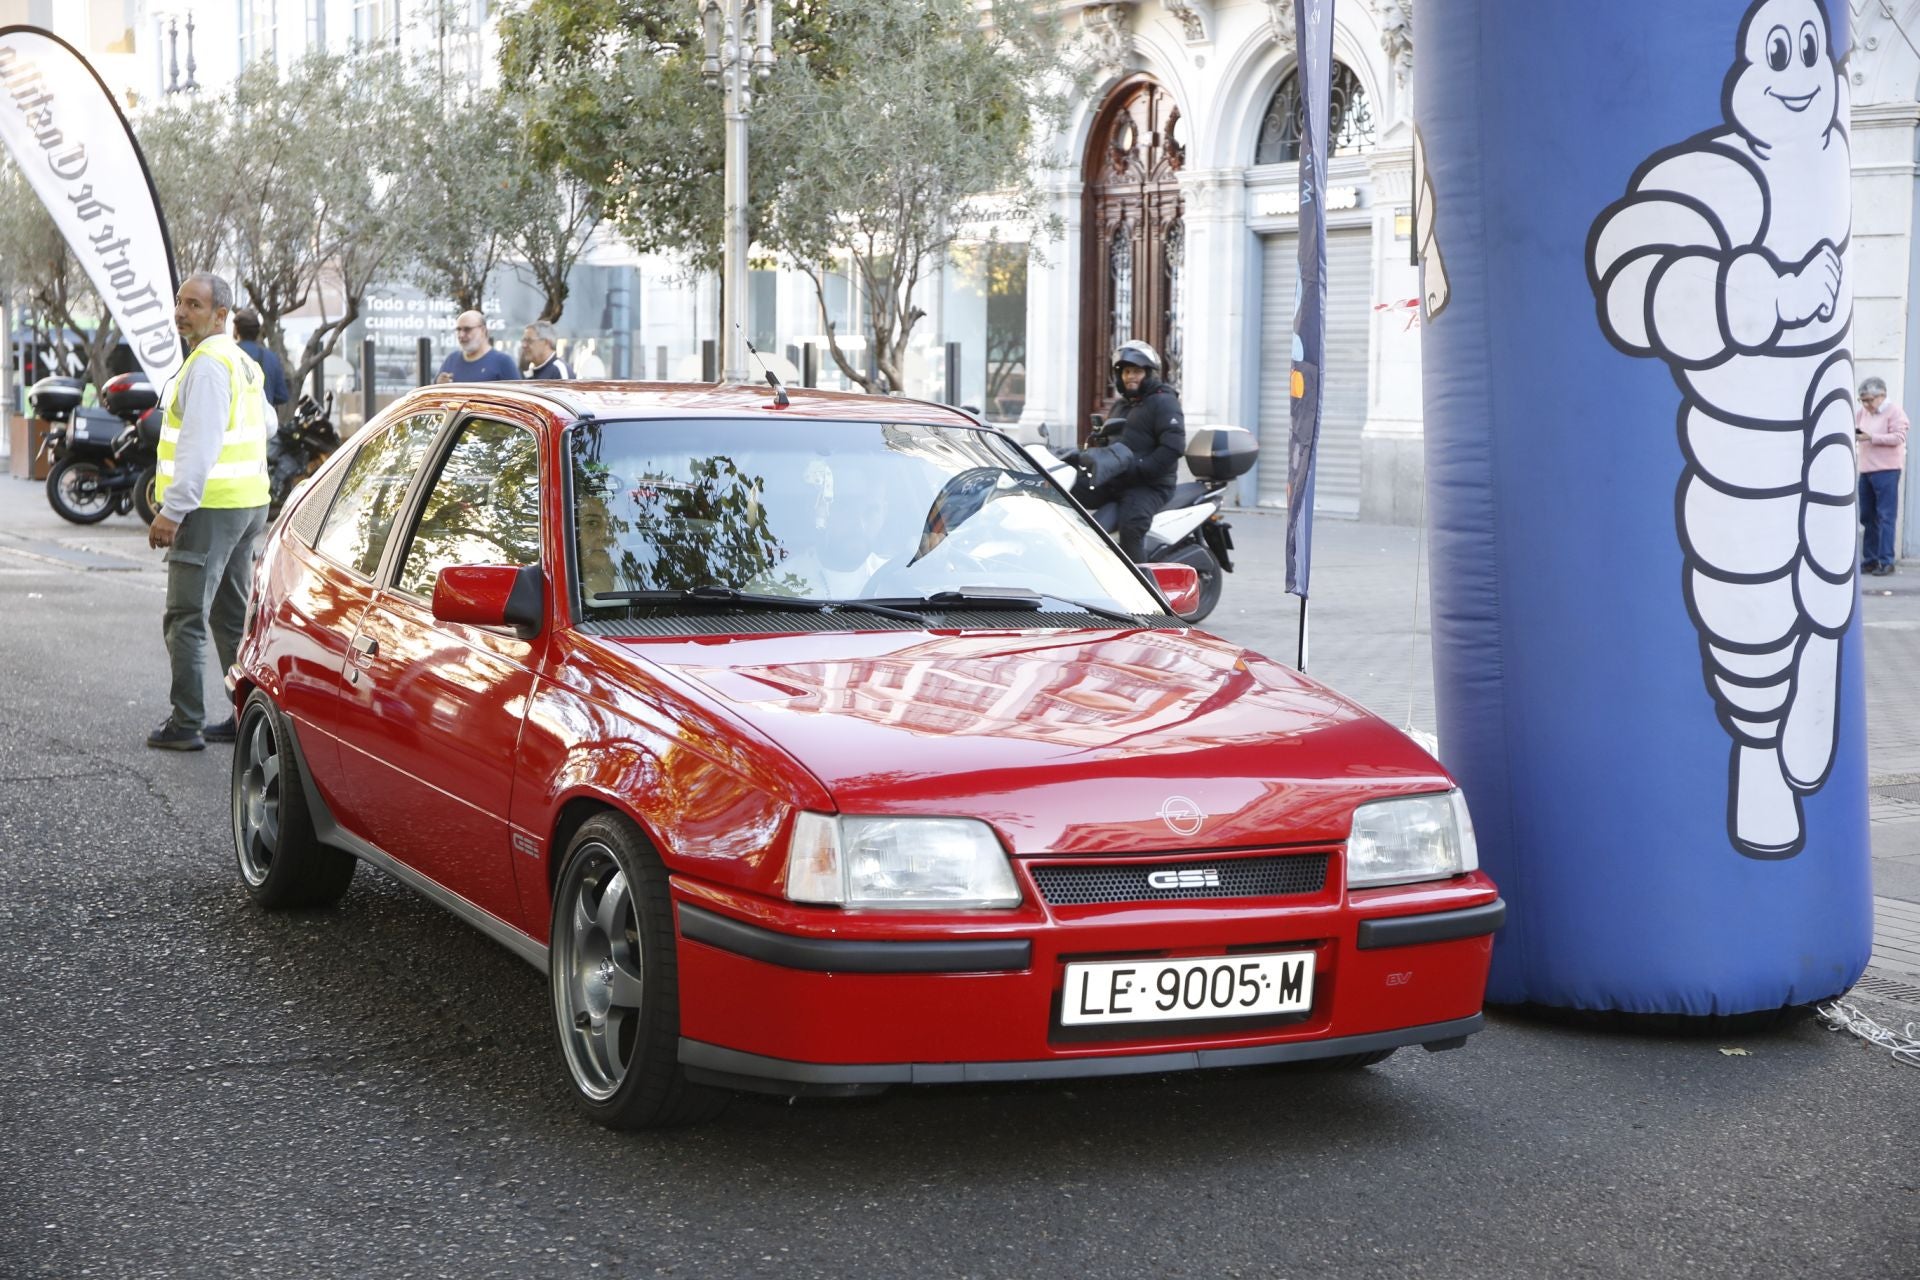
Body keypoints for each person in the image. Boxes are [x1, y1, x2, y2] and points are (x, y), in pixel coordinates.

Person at [145, 272, 271, 751]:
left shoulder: (209, 365)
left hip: (211, 509)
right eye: (179, 301)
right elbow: (268, 423)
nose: (181, 311)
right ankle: (248, 715)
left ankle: (186, 722)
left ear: (221, 315)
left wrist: (173, 511)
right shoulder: (240, 362)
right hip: (247, 504)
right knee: (228, 614)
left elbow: (199, 443)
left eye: (194, 305)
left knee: (185, 616)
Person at [1088, 339, 1185, 561]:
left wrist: (1139, 468)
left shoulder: (1164, 402)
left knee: (1131, 528)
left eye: (1136, 371)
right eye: (1126, 372)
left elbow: (1173, 447)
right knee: (1068, 496)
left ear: (1149, 373)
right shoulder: (1121, 405)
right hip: (1117, 480)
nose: (1130, 376)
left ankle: (1144, 590)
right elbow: (1109, 440)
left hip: (1149, 485)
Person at [1856, 375, 1909, 576]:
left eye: (1869, 400)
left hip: (1887, 470)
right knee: (1867, 517)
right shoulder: (1862, 413)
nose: (1866, 404)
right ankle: (1870, 560)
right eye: (1863, 400)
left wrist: (1871, 437)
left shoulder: (1895, 412)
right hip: (1866, 470)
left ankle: (1886, 561)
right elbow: (1856, 428)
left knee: (1886, 516)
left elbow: (1899, 437)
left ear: (1882, 395)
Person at [435, 310, 519, 383]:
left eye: (467, 329)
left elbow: (518, 398)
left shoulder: (503, 362)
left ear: (483, 330)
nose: (461, 334)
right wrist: (439, 386)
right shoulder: (451, 359)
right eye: (458, 330)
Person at [232, 307, 289, 411]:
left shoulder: (228, 355)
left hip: (234, 424)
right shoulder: (271, 358)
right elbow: (282, 396)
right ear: (257, 331)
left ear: (236, 330)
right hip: (264, 424)